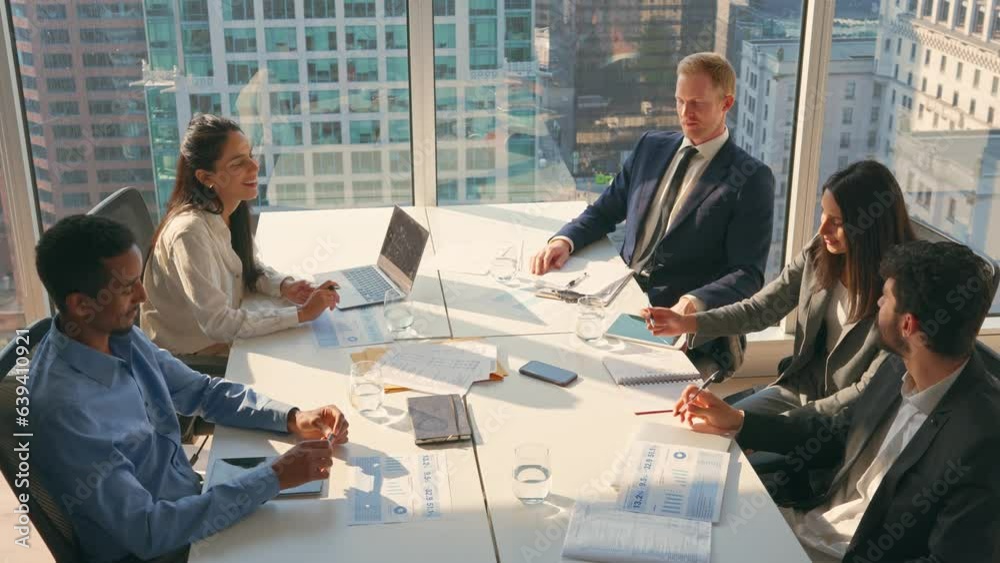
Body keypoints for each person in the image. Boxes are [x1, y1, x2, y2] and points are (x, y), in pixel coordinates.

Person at [30, 215, 351, 562]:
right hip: (161, 549)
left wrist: (293, 417)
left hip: (189, 502)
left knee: (334, 525)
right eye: (127, 288)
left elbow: (201, 392)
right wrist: (272, 478)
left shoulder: (115, 333)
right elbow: (148, 531)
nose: (143, 295)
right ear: (81, 305)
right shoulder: (65, 411)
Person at [669, 240, 999, 563]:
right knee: (676, 521)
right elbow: (838, 431)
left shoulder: (983, 440)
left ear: (907, 324)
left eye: (884, 298)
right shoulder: (898, 364)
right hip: (806, 523)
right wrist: (739, 420)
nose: (876, 306)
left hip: (835, 552)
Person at [644, 161, 916, 416]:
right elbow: (761, 309)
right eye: (823, 213)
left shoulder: (899, 296)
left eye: (837, 222)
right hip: (797, 391)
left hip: (839, 421)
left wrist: (763, 425)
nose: (822, 229)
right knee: (702, 426)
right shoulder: (819, 254)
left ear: (870, 227)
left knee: (729, 436)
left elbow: (864, 393)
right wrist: (687, 322)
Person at [531, 52, 775, 321]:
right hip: (616, 295)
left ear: (726, 103)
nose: (685, 113)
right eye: (680, 101)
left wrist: (693, 304)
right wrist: (566, 240)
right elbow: (604, 212)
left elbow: (747, 273)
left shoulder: (751, 178)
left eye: (697, 104)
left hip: (678, 318)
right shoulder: (651, 146)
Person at [141, 114, 338, 356]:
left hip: (224, 339)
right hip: (195, 360)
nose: (255, 166)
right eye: (237, 164)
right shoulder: (189, 233)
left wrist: (285, 286)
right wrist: (302, 314)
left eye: (250, 157)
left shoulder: (227, 208)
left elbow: (245, 267)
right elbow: (218, 324)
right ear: (206, 177)